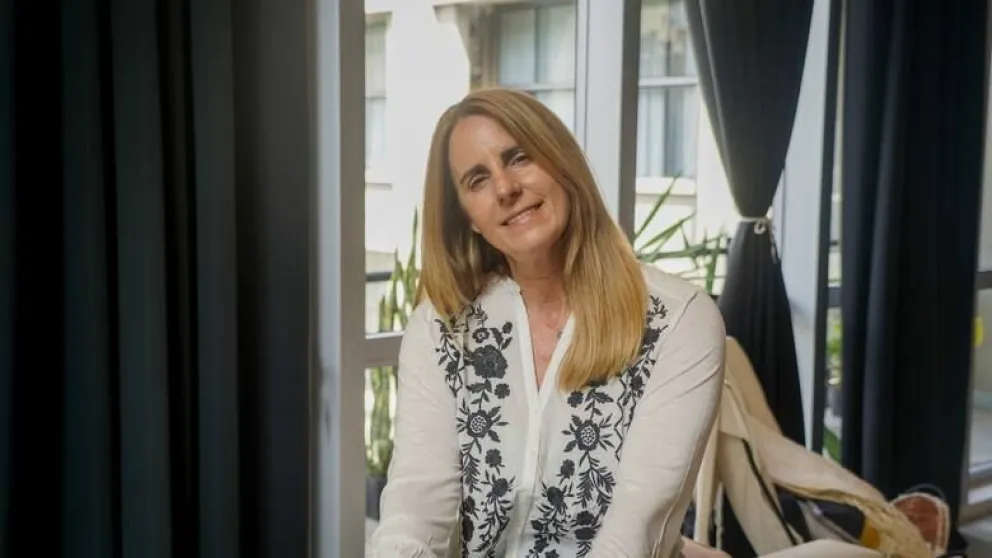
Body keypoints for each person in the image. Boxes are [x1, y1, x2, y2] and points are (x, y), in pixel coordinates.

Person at [369, 88, 726, 558]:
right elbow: (416, 508)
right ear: (469, 219)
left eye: (519, 158)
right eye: (478, 180)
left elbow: (635, 534)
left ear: (561, 163)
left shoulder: (679, 321)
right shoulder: (441, 327)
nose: (505, 189)